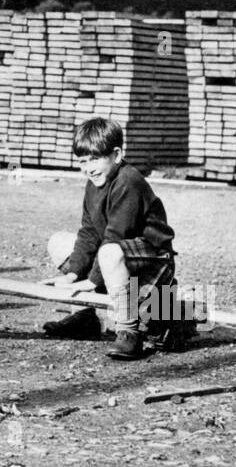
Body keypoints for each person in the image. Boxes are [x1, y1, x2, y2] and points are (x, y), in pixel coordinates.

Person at [40, 117, 178, 359]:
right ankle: (84, 318)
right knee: (59, 241)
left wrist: (91, 281)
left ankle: (129, 332)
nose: (88, 167)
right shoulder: (93, 183)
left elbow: (116, 235)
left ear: (116, 155)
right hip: (117, 259)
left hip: (152, 261)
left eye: (95, 159)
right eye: (82, 161)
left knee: (109, 251)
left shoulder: (128, 181)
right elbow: (89, 231)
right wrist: (73, 274)